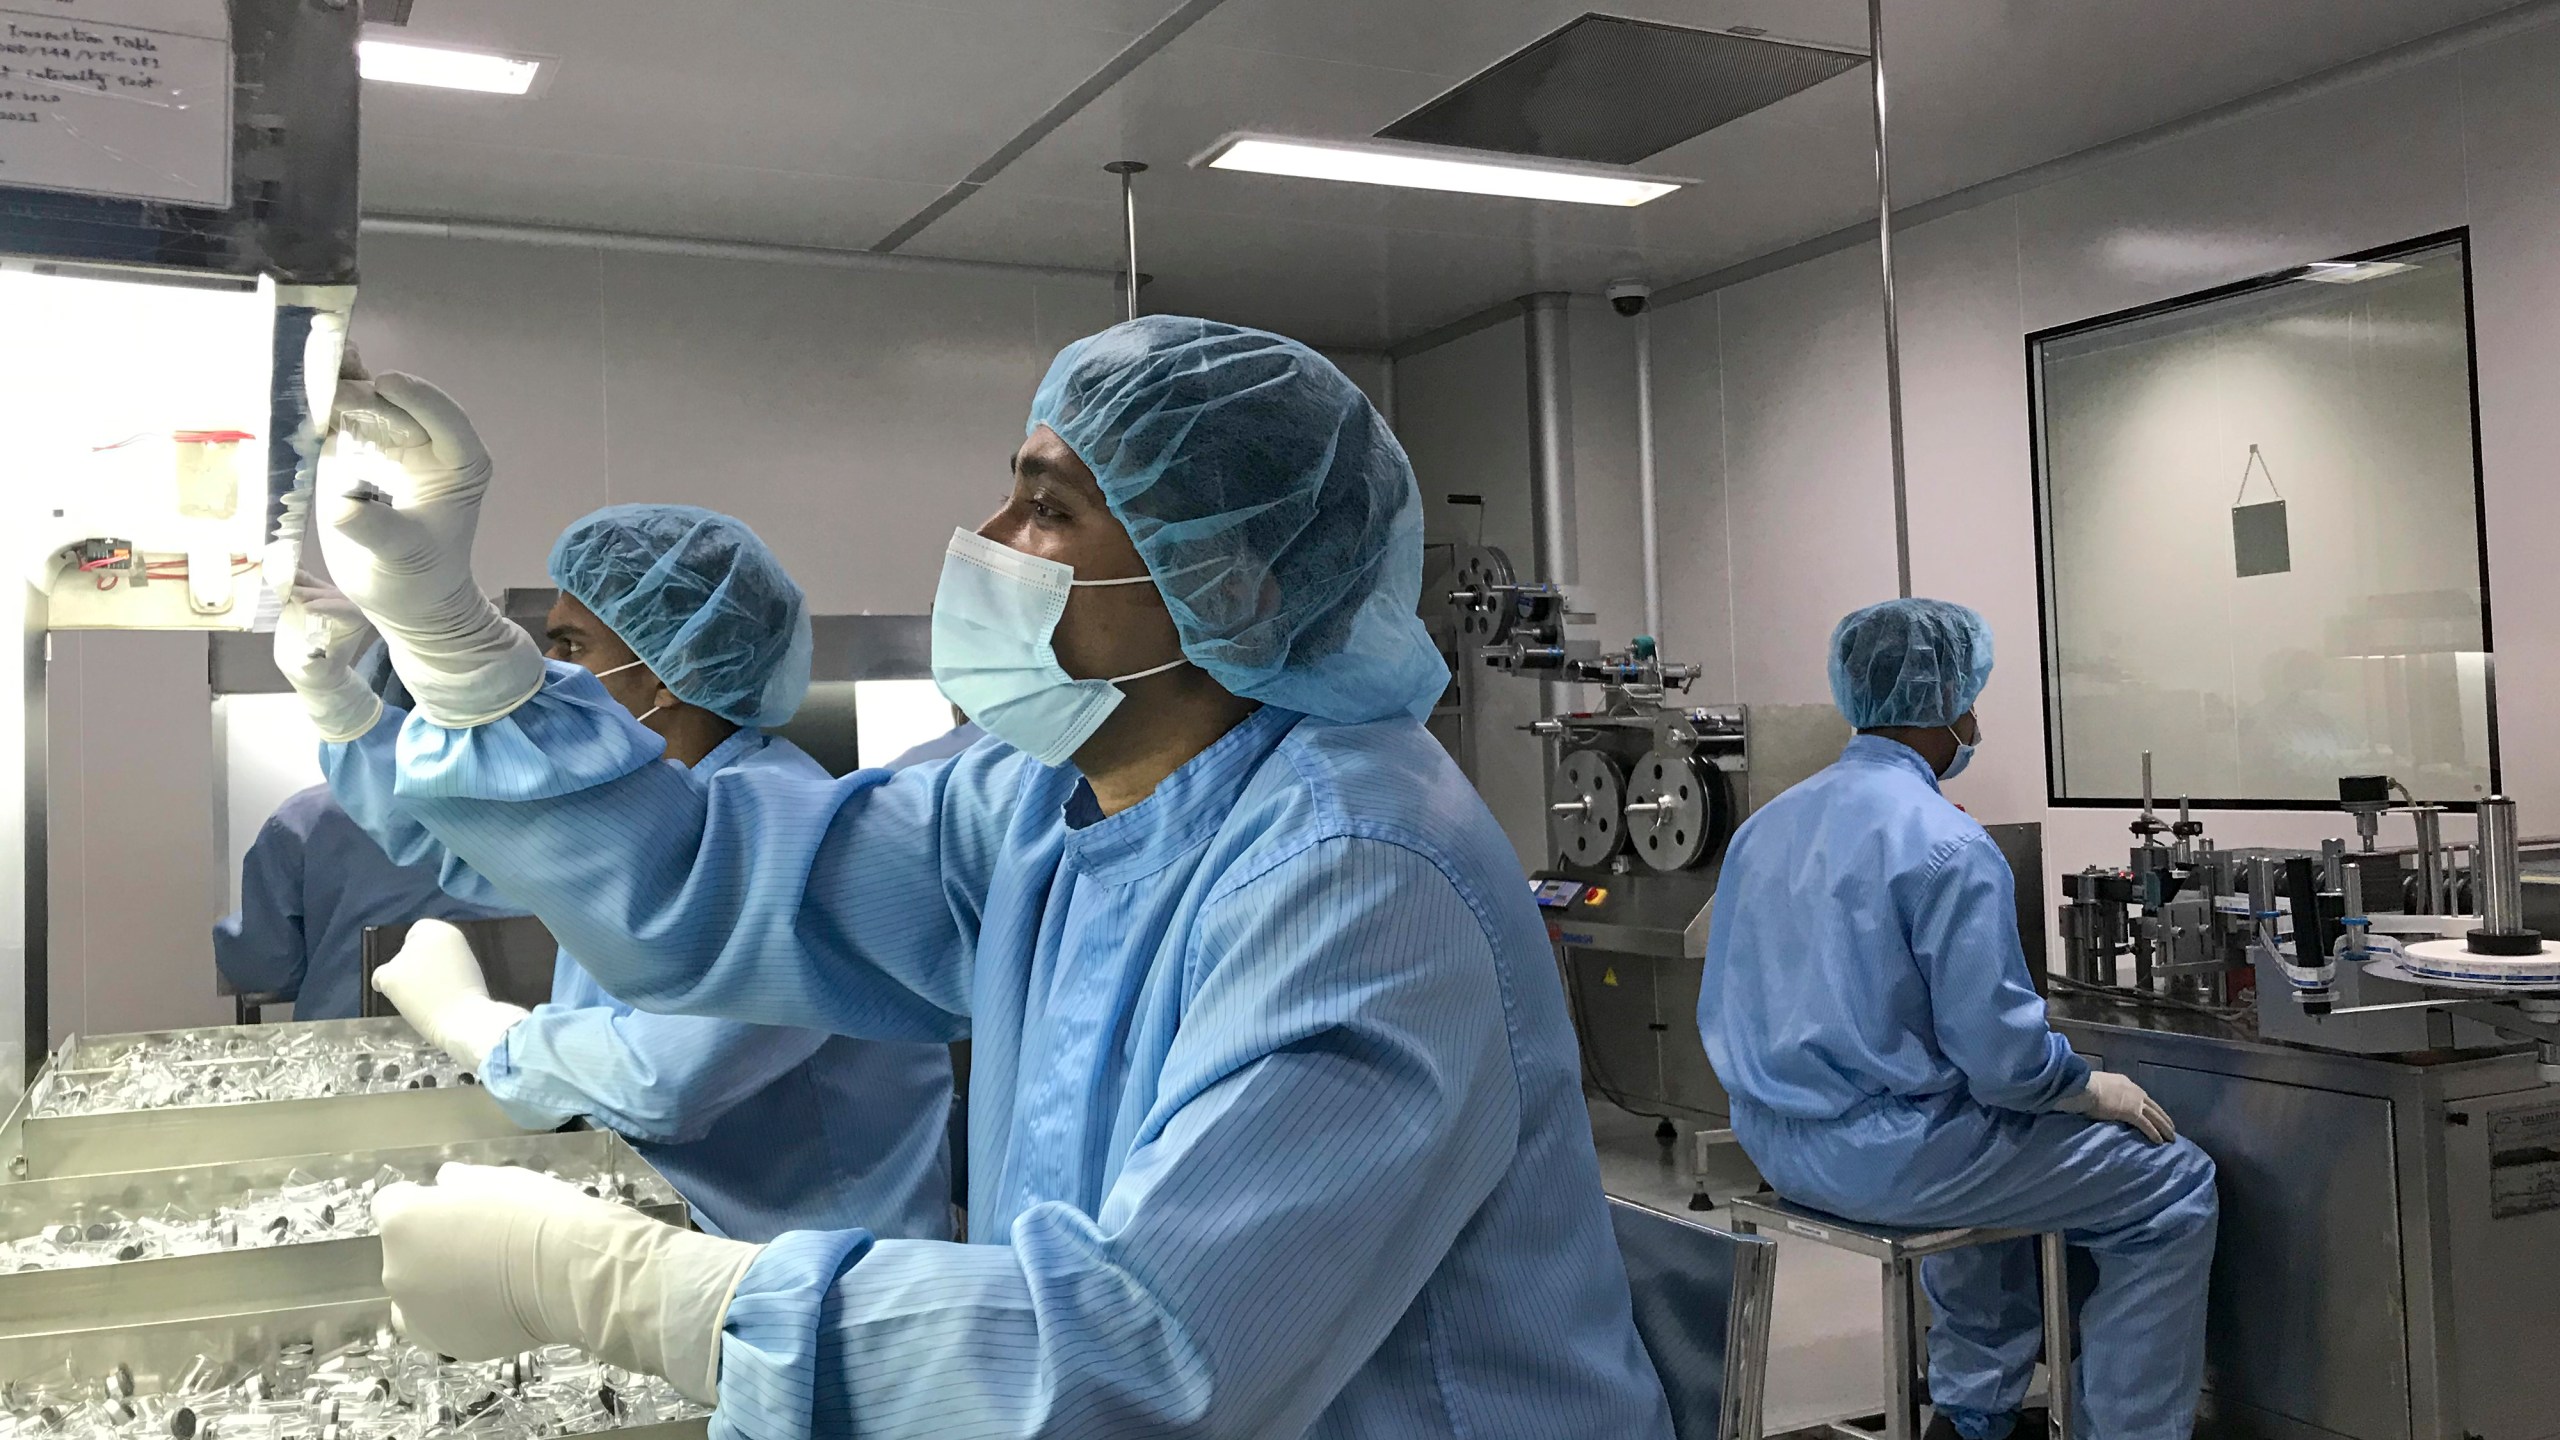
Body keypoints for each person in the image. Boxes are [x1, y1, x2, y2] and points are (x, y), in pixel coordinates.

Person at [308, 322, 1673, 1437]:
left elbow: (1153, 1354)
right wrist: (453, 642)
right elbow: (718, 893)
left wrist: (639, 1295)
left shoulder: (1358, 875)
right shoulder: (1034, 798)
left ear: (1232, 583)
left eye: (1049, 507)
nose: (988, 537)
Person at [282, 501, 954, 1244]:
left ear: (671, 671)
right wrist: (342, 705)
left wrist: (473, 1026)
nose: (551, 672)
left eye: (572, 645)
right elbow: (472, 846)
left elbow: (660, 1082)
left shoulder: (785, 825)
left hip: (820, 1262)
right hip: (702, 1236)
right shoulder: (663, 804)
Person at [1698, 598, 2219, 1440]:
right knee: (2173, 1186)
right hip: (1892, 1158)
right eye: (1968, 701)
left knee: (1985, 1136)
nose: (1974, 721)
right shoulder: (1947, 844)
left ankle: (1976, 1416)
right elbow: (2004, 1061)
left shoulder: (1767, 828)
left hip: (1774, 1138)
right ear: (1945, 709)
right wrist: (2087, 1086)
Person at [211, 783, 517, 1021]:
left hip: (351, 1066)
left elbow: (262, 968)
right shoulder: (546, 811)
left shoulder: (307, 818)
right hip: (522, 1054)